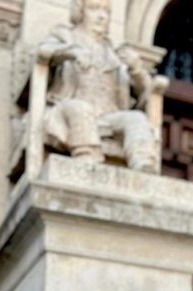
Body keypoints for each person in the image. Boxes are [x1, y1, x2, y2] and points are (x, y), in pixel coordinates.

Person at [38, 0, 159, 172]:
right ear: (80, 12)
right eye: (94, 9)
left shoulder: (114, 51)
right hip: (69, 109)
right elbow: (43, 52)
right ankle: (87, 159)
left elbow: (144, 93)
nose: (102, 16)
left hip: (108, 115)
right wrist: (71, 52)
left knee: (136, 118)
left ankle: (143, 164)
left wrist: (136, 69)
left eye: (106, 11)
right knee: (80, 108)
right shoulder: (65, 36)